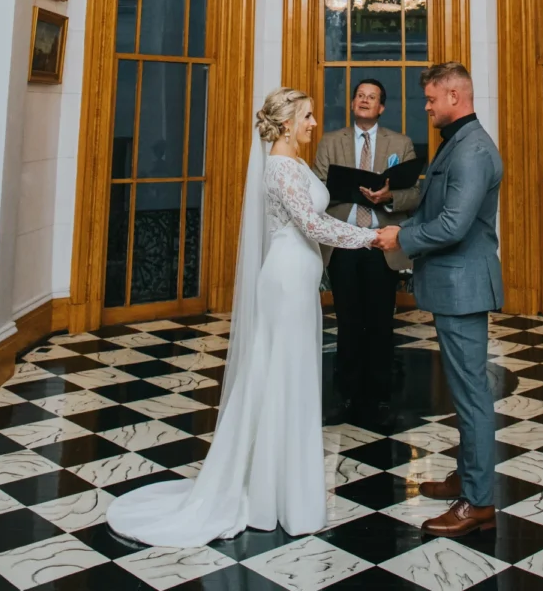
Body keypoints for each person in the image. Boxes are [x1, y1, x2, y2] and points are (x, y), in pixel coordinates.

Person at [106, 88, 377, 546]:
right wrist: (371, 238)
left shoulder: (295, 163)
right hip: (287, 281)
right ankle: (274, 496)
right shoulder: (279, 167)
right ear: (287, 122)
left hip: (299, 281)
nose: (315, 123)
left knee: (287, 378)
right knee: (282, 379)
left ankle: (281, 489)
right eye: (308, 116)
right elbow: (312, 226)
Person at [375, 61, 503, 540]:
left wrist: (400, 238)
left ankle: (478, 503)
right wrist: (401, 201)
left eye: (431, 99)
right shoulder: (460, 142)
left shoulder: (471, 150)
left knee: (472, 397)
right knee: (464, 391)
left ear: (455, 96)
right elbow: (436, 199)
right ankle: (466, 477)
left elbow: (452, 225)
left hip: (463, 285)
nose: (427, 107)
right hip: (455, 283)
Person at [313, 78, 421, 424]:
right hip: (344, 240)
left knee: (379, 321)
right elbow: (315, 190)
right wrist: (348, 191)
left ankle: (379, 395)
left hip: (382, 241)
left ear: (381, 107)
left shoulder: (400, 143)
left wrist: (387, 197)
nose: (364, 100)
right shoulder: (330, 142)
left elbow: (415, 194)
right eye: (360, 95)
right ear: (352, 103)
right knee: (347, 320)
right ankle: (346, 393)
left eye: (371, 97)